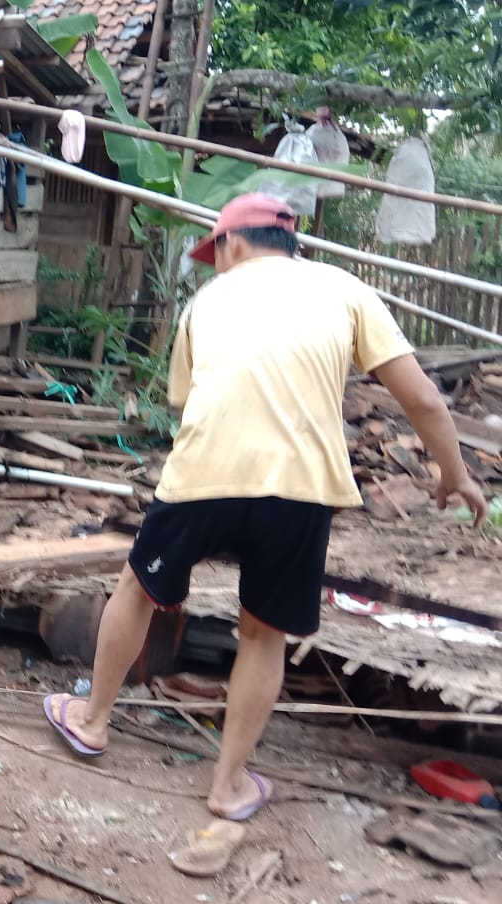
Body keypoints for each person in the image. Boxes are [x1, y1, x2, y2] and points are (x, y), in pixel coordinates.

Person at [41, 193, 490, 821]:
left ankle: (92, 722)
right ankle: (227, 786)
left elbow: (185, 402)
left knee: (138, 589)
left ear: (232, 243)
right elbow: (423, 400)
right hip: (300, 489)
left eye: (216, 252)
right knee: (262, 632)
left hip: (204, 475)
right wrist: (455, 475)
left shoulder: (206, 301)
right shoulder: (346, 290)